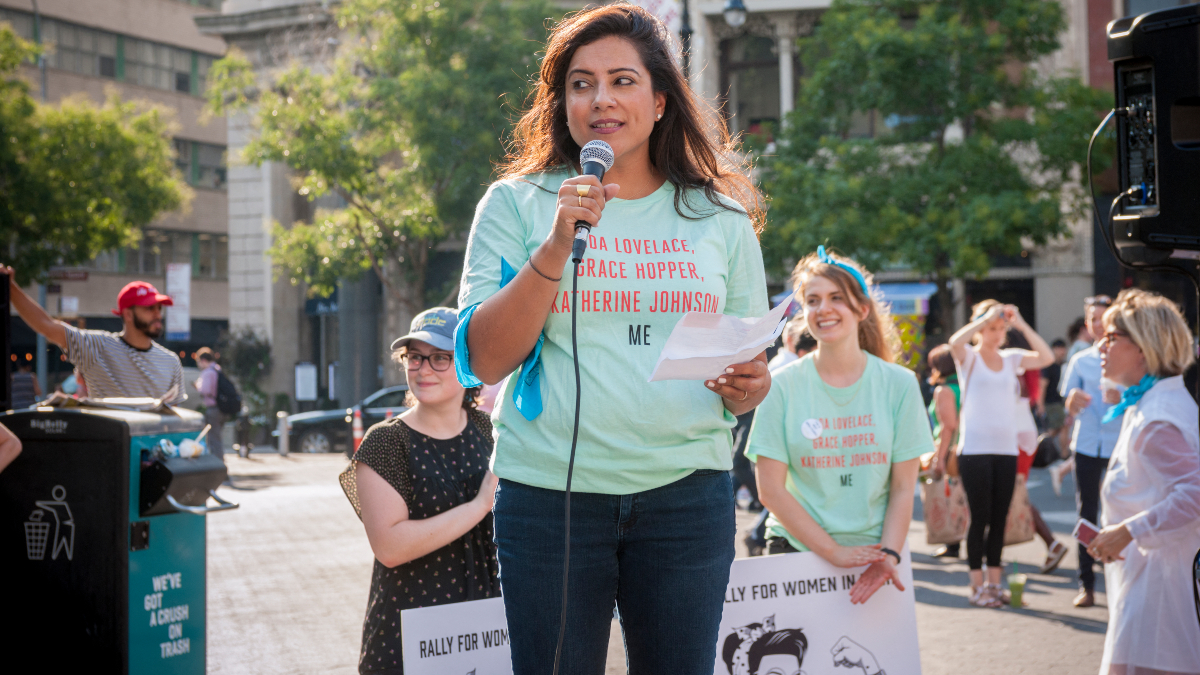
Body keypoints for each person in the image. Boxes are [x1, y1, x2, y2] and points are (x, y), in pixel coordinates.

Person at [454, 5, 770, 671]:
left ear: (659, 103)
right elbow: (484, 358)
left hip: (687, 498)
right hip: (549, 501)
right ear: (562, 104)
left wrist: (749, 387)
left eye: (622, 81)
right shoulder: (515, 204)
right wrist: (556, 243)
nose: (601, 99)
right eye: (581, 84)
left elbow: (747, 375)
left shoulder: (720, 217)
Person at [748, 248, 933, 606]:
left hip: (874, 557)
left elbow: (902, 488)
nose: (823, 309)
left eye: (836, 298)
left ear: (862, 309)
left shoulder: (900, 384)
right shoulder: (780, 385)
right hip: (794, 550)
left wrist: (889, 555)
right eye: (812, 300)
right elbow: (770, 490)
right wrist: (832, 552)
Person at [339, 308, 499, 675]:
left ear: (468, 365)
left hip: (488, 629)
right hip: (411, 635)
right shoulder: (385, 442)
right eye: (415, 357)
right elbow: (390, 547)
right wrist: (479, 505)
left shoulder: (491, 431)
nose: (423, 369)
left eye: (440, 357)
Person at [1084, 289, 1200, 675]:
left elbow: (1194, 493)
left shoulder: (1157, 417)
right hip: (1153, 583)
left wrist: (1127, 531)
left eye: (1111, 336)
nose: (1100, 345)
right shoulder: (1153, 404)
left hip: (1160, 597)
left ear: (1142, 347)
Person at [948, 300, 1053, 607]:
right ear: (981, 329)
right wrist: (983, 319)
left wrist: (1020, 323)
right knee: (979, 517)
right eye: (990, 328)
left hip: (1006, 449)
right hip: (975, 450)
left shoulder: (1011, 358)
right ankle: (976, 587)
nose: (995, 334)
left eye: (999, 328)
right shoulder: (968, 357)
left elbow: (1046, 357)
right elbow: (955, 342)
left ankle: (994, 585)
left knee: (999, 519)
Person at [2, 268, 185, 404]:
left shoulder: (171, 361)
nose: (158, 314)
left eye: (159, 308)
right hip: (113, 443)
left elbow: (176, 416)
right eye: (149, 308)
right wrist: (10, 286)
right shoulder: (97, 346)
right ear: (128, 314)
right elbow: (46, 325)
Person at [1059, 293, 1120, 608]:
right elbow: (1067, 401)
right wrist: (1071, 402)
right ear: (1087, 323)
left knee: (1119, 511)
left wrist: (1122, 399)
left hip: (1119, 445)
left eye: (1103, 318)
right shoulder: (1080, 360)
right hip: (1085, 445)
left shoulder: (1128, 357)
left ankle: (1119, 581)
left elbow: (1142, 397)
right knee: (1087, 514)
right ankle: (1087, 584)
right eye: (1093, 319)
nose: (1098, 324)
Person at [744, 325, 817, 556]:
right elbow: (770, 492)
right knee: (784, 489)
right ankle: (756, 535)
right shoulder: (787, 373)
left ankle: (756, 534)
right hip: (790, 541)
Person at [926, 344, 963, 559]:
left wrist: (939, 458)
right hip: (970, 446)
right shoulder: (966, 385)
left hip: (952, 450)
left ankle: (953, 543)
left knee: (950, 496)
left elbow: (948, 427)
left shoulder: (944, 391)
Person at [193, 348, 229, 461]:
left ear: (203, 360)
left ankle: (218, 463)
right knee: (217, 436)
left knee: (213, 438)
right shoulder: (217, 369)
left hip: (213, 409)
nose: (198, 364)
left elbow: (206, 390)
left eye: (198, 361)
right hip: (222, 408)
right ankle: (219, 462)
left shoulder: (208, 372)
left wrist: (197, 386)